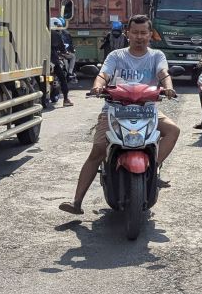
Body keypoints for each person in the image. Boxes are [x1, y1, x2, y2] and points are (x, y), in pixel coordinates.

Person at [60, 14, 179, 215]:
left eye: (143, 33)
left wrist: (168, 88)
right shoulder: (116, 56)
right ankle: (77, 201)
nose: (139, 37)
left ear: (150, 35)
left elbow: (163, 73)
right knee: (98, 150)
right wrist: (98, 86)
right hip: (114, 110)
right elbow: (103, 74)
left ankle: (153, 169)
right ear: (127, 34)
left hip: (146, 111)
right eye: (135, 32)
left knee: (173, 130)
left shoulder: (157, 55)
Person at [50, 17, 74, 107]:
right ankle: (66, 99)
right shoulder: (56, 35)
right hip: (53, 60)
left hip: (41, 60)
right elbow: (62, 48)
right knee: (62, 79)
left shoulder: (43, 33)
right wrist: (64, 52)